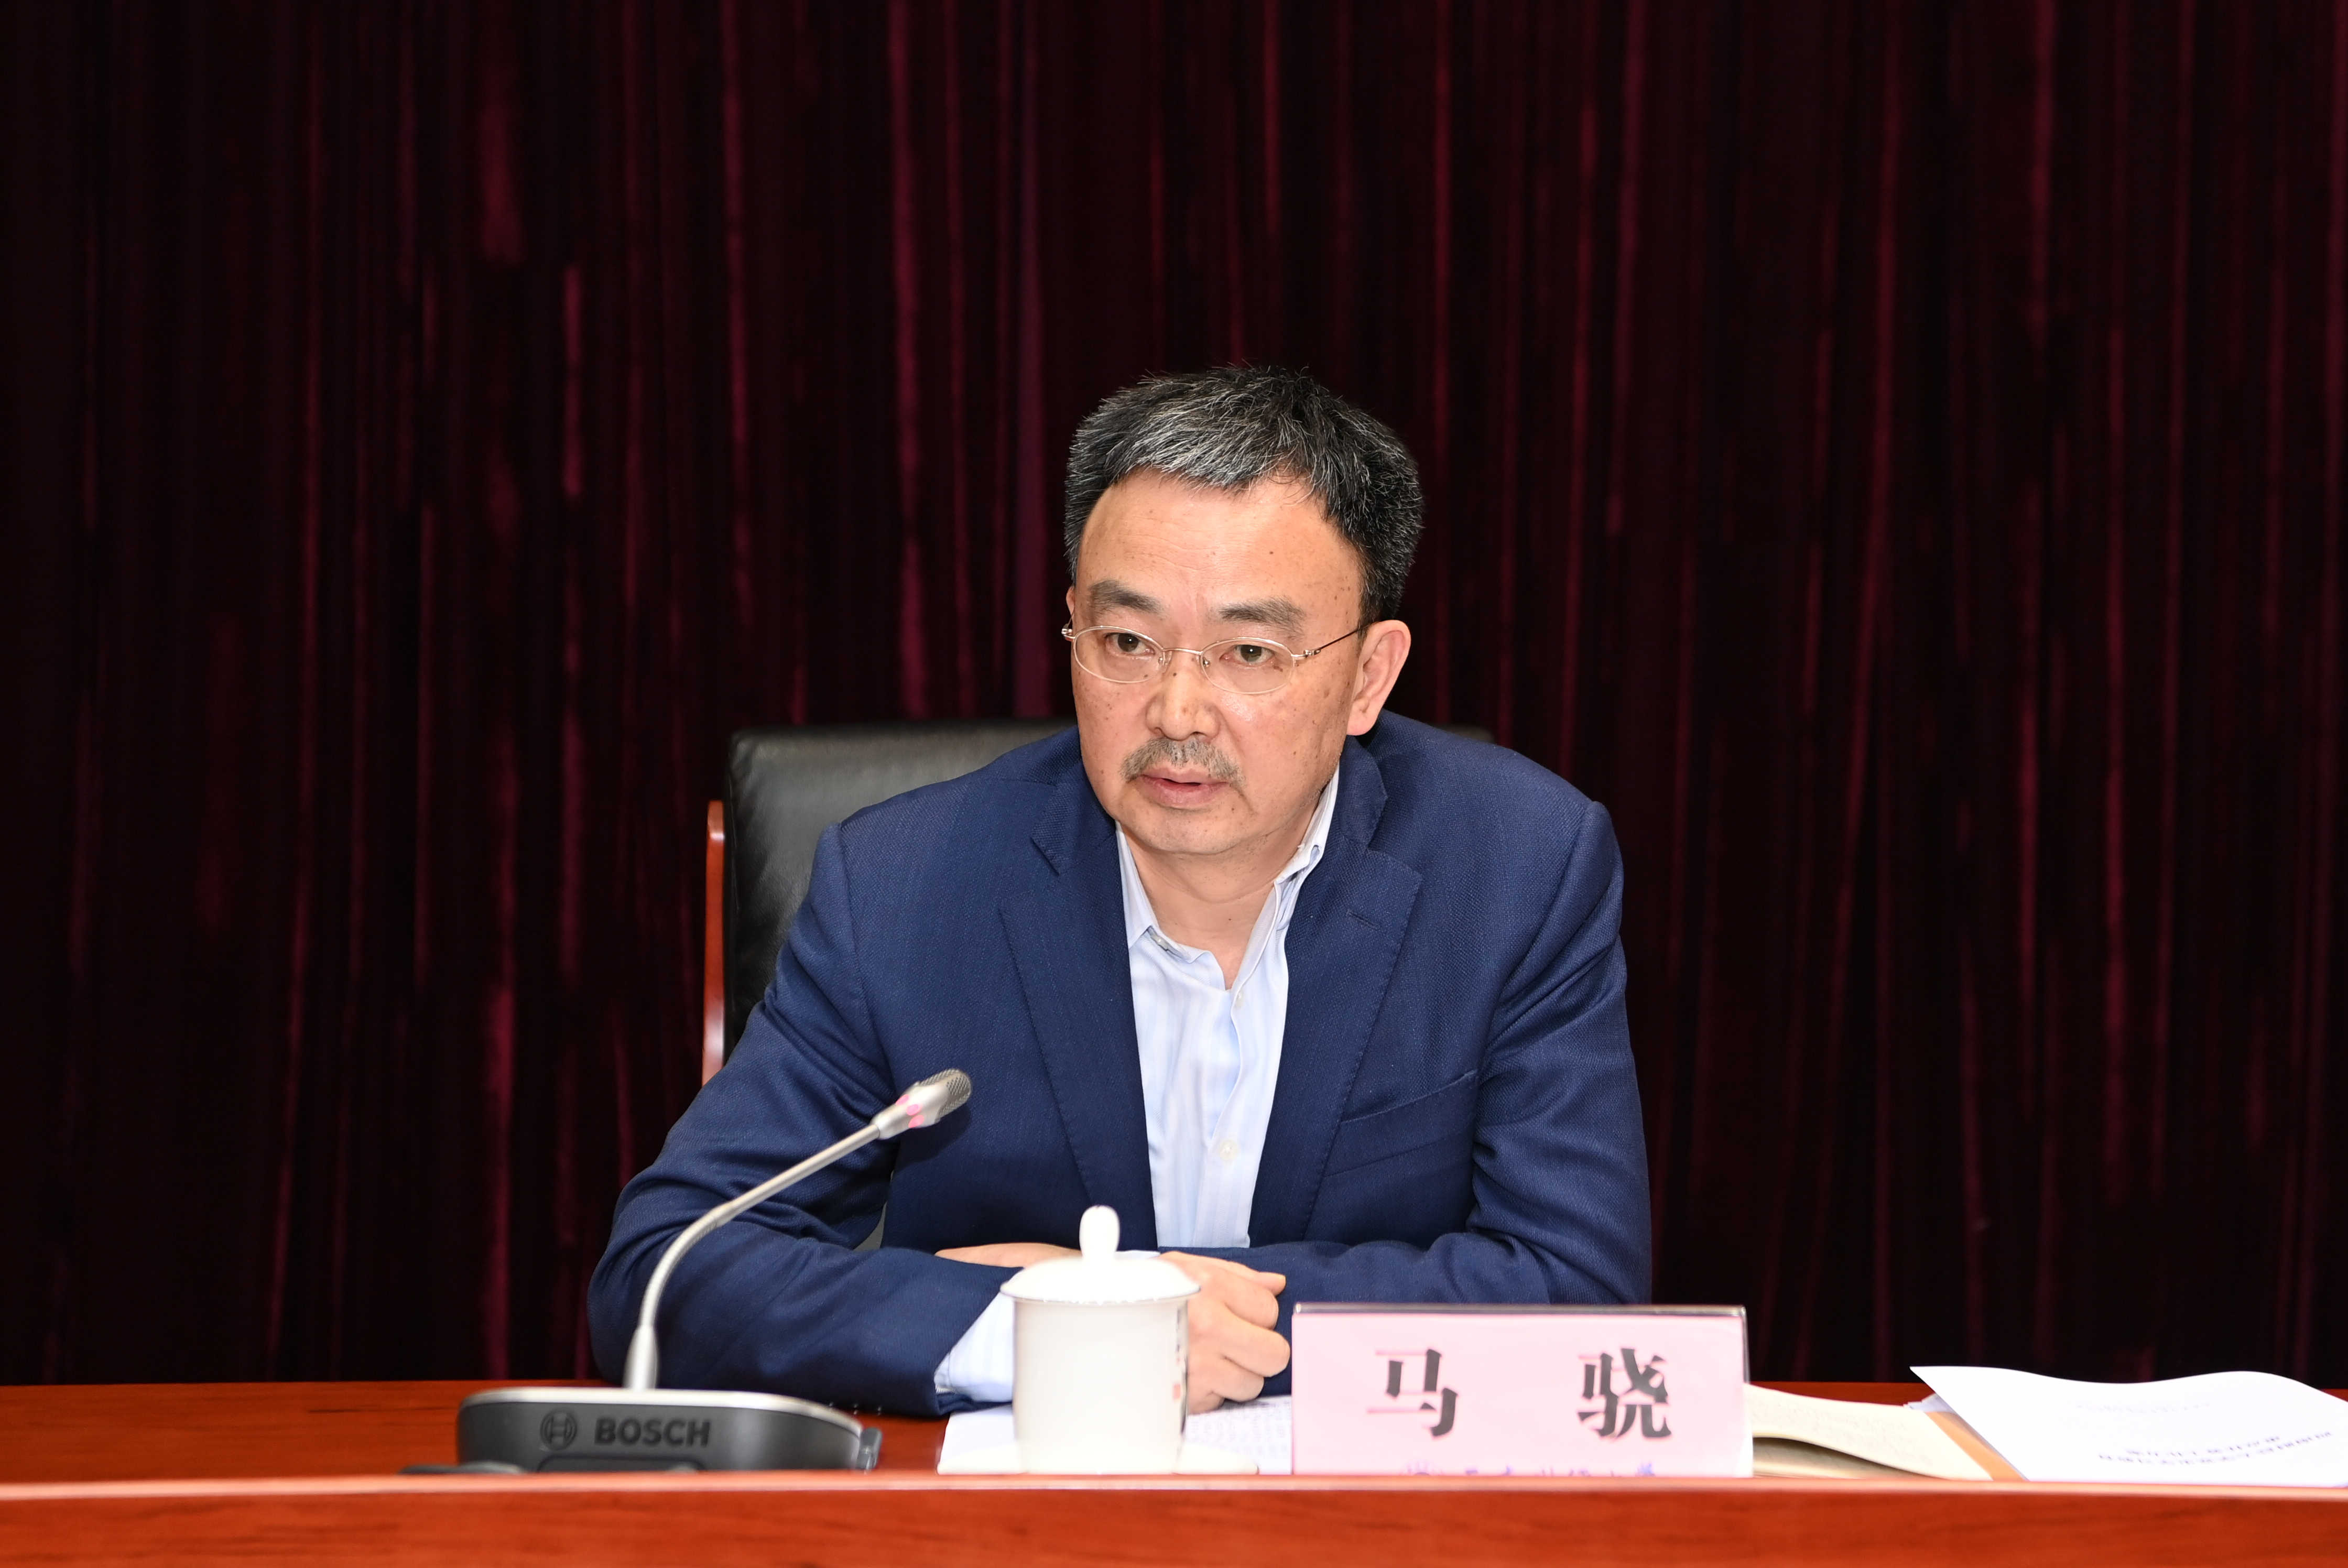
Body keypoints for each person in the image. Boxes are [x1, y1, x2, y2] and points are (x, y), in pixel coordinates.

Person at [588, 366, 1649, 1415]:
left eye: (1249, 650)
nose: (1177, 710)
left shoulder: (1517, 867)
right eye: (1128, 642)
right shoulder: (903, 888)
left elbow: (1582, 1288)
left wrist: (1145, 1309)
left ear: (1368, 674)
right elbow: (665, 1273)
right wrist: (1028, 1324)